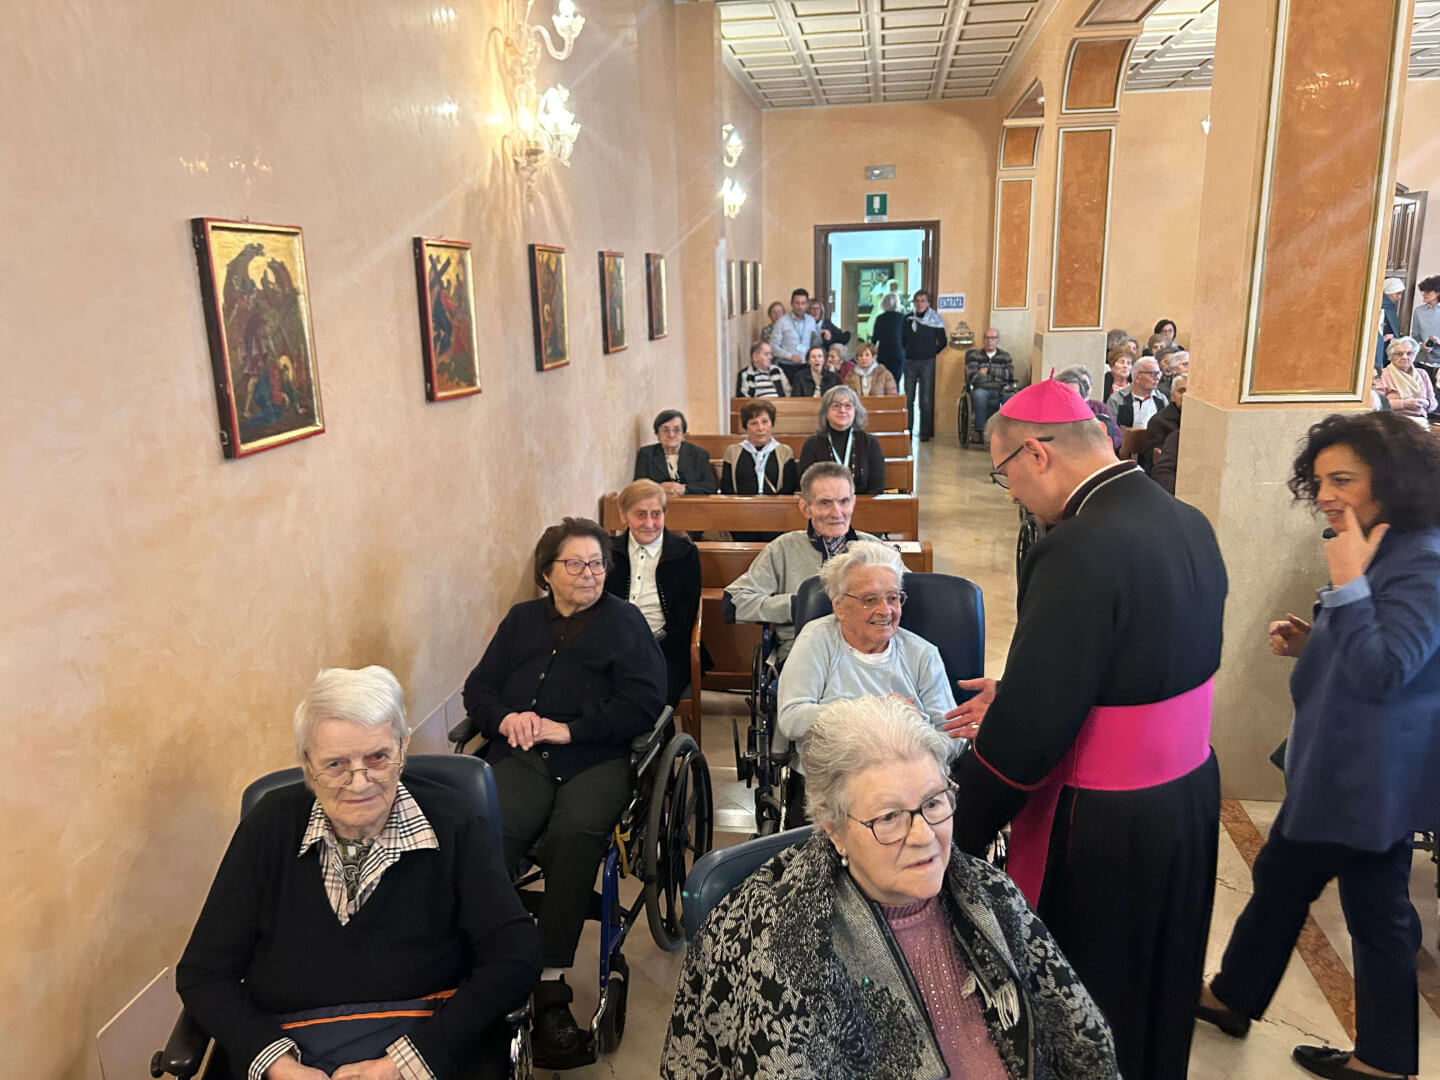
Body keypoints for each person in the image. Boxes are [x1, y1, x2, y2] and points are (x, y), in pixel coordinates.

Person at [949, 380, 1227, 1079]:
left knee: (1096, 1000)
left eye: (1005, 474)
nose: (1012, 494)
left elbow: (1027, 739)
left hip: (1106, 820)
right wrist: (1028, 687)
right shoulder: (1186, 518)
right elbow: (1146, 663)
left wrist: (958, 823)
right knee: (1162, 976)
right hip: (1187, 796)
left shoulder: (1074, 546)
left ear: (1036, 454)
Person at [661, 695, 1118, 1080]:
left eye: (933, 802)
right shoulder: (774, 944)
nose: (923, 836)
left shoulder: (993, 896)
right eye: (889, 817)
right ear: (833, 827)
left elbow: (1079, 1039)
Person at [1197, 411, 1440, 1080]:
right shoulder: (1383, 541)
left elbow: (1387, 671)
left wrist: (1350, 583)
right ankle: (1238, 999)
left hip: (1365, 776)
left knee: (1367, 912)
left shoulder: (1423, 560)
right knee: (1294, 883)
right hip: (1346, 768)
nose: (1326, 494)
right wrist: (1316, 641)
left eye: (1343, 480)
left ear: (1391, 479)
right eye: (1320, 480)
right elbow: (1385, 650)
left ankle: (1377, 1060)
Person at [177, 666, 541, 1080]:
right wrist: (277, 1063)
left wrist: (404, 1063)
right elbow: (204, 973)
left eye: (377, 757)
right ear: (306, 763)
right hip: (289, 1050)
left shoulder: (454, 822)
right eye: (335, 764)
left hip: (423, 1043)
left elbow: (515, 956)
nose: (359, 783)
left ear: (402, 747)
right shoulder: (269, 826)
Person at [460, 518, 665, 1068]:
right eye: (574, 564)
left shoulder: (625, 622)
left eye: (597, 563)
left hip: (597, 757)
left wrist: (570, 730)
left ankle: (550, 987)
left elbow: (645, 703)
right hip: (524, 755)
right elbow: (479, 688)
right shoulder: (521, 620)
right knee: (490, 836)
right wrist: (505, 719)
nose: (589, 574)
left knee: (574, 837)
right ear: (546, 573)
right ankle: (489, 967)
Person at [776, 541, 959, 825]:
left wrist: (913, 752)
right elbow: (792, 717)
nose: (885, 610)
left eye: (893, 598)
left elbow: (951, 734)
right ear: (839, 606)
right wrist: (882, 711)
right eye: (870, 599)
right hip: (834, 792)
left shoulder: (922, 654)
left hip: (910, 792)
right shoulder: (817, 641)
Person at [723, 462, 879, 665]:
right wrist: (796, 605)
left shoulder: (875, 550)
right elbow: (734, 603)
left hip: (866, 656)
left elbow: (909, 597)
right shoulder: (783, 548)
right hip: (803, 659)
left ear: (854, 502)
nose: (837, 512)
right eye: (825, 503)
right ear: (805, 508)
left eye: (844, 501)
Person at [605, 480, 704, 707]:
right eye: (640, 514)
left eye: (656, 514)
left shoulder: (685, 553)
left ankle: (654, 731)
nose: (649, 523)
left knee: (648, 695)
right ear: (623, 515)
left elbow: (683, 619)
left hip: (665, 648)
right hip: (612, 644)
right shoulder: (608, 551)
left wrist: (647, 646)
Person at [796, 386, 887, 496]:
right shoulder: (812, 444)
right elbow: (806, 485)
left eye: (848, 406)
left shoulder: (870, 443)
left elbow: (877, 487)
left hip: (863, 504)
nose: (842, 410)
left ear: (855, 411)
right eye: (836, 406)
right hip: (824, 504)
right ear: (825, 412)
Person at [720, 400, 799, 496]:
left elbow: (789, 487)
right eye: (753, 423)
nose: (760, 428)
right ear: (746, 427)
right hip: (740, 504)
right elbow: (726, 488)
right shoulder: (732, 452)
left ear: (772, 423)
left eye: (765, 422)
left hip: (776, 504)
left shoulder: (785, 452)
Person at [633, 409, 718, 497]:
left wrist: (684, 489)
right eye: (665, 430)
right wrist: (659, 488)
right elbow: (638, 486)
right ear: (657, 434)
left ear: (683, 434)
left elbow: (710, 486)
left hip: (690, 503)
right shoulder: (646, 454)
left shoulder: (699, 454)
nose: (671, 435)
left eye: (676, 430)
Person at [901, 290, 948, 441]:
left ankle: (924, 432)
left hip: (927, 362)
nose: (920, 304)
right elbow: (902, 339)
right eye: (917, 301)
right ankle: (908, 430)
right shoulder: (907, 319)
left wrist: (930, 353)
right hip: (909, 362)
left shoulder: (935, 319)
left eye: (923, 301)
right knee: (908, 398)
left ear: (928, 303)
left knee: (925, 399)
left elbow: (943, 342)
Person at [1054, 364, 1121, 451]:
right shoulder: (1053, 411)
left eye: (1086, 386)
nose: (1086, 389)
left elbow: (1117, 436)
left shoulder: (1099, 408)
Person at [964, 328, 1017, 434]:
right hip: (982, 388)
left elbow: (1009, 374)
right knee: (979, 396)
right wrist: (996, 377)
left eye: (993, 338)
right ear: (984, 339)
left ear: (998, 340)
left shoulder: (1004, 356)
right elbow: (973, 377)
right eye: (987, 338)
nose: (989, 341)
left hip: (1001, 389)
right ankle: (981, 431)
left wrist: (988, 371)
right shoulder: (975, 356)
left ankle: (1005, 431)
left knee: (1011, 397)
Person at [1377, 336, 1437, 427]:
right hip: (1393, 421)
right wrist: (1405, 404)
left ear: (1415, 355)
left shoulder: (1422, 374)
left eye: (1409, 353)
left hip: (1421, 420)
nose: (1405, 357)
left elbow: (1433, 403)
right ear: (1390, 356)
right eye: (1399, 354)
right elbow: (1377, 403)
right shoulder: (1383, 374)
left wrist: (1427, 403)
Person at [1145, 373, 1187, 482]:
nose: (1185, 396)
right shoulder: (1159, 421)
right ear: (1172, 396)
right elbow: (1154, 459)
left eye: (1189, 392)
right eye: (1181, 391)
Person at [1107, 355, 1167, 429]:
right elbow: (1111, 428)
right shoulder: (1117, 399)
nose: (1157, 378)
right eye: (1152, 374)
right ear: (1137, 377)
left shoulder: (1161, 399)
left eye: (1159, 373)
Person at [771, 288, 821, 364]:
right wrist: (790, 356)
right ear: (791, 303)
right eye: (797, 303)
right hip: (787, 364)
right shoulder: (782, 321)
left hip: (806, 364)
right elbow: (773, 346)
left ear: (807, 304)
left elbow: (814, 343)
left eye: (803, 303)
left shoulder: (811, 321)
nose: (800, 306)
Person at [872, 291, 906, 390]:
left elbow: (875, 338)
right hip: (898, 352)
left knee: (882, 380)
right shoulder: (903, 318)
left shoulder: (880, 318)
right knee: (896, 381)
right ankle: (895, 397)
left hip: (884, 352)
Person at [1409, 274, 1440, 368]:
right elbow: (1415, 336)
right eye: (1423, 291)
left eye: (1428, 291)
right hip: (1422, 360)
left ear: (1438, 293)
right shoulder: (1419, 311)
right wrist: (1421, 345)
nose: (1424, 294)